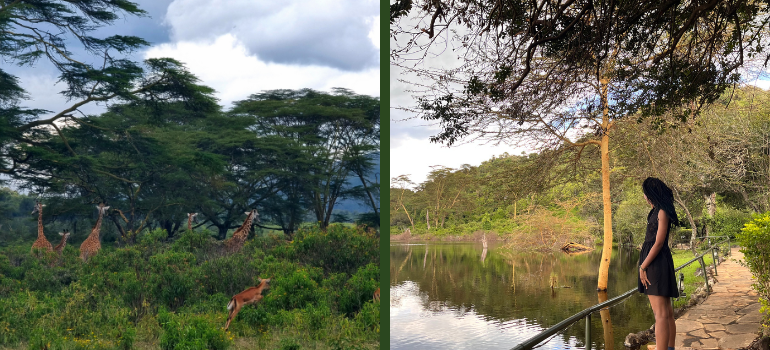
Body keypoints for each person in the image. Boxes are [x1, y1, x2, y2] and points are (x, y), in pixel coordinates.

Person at [638, 177, 679, 350]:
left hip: (656, 264)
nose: (645, 197)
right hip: (656, 262)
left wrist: (643, 266)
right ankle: (668, 347)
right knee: (667, 313)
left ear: (651, 194)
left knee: (661, 314)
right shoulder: (656, 211)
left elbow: (659, 243)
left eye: (645, 194)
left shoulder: (662, 211)